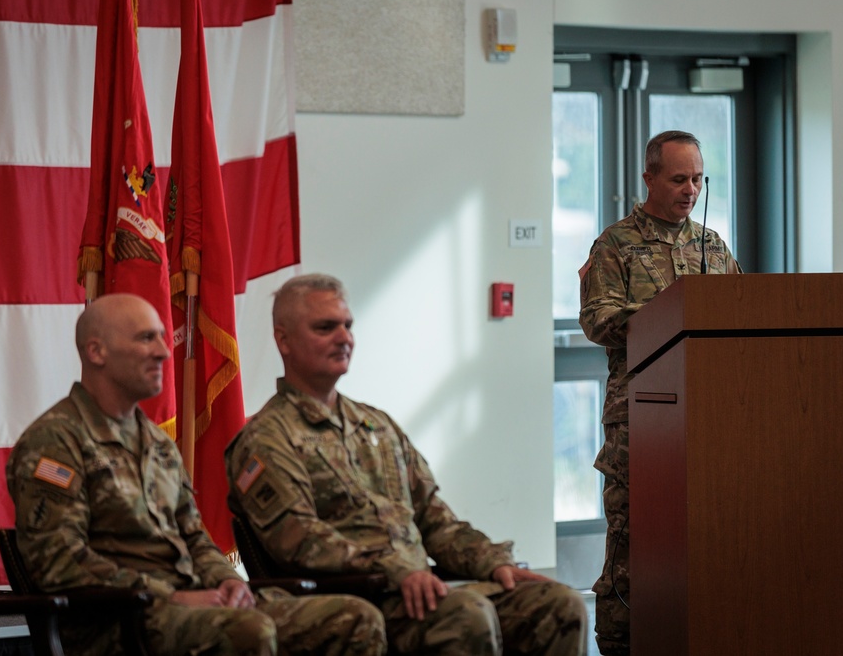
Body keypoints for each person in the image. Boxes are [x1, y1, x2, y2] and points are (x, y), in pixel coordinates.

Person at [225, 273, 588, 656]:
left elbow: (434, 519)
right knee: (466, 613)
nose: (344, 337)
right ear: (284, 340)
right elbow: (301, 541)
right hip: (354, 600)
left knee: (558, 603)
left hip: (417, 589)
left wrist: (492, 562)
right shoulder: (267, 439)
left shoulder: (376, 425)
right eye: (325, 327)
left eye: (348, 326)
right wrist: (396, 569)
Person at [6, 292, 387, 656]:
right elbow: (59, 561)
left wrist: (229, 584)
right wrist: (169, 595)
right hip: (119, 622)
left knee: (354, 619)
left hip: (190, 604)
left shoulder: (157, 444)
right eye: (145, 339)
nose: (162, 351)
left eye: (160, 337)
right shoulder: (55, 441)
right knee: (249, 631)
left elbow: (195, 537)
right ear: (96, 351)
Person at [578, 130, 741, 655]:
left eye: (697, 179)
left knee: (709, 531)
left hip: (714, 414)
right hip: (640, 416)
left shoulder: (712, 246)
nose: (690, 189)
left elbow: (745, 314)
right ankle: (620, 642)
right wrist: (674, 318)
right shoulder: (615, 244)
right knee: (633, 535)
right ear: (649, 177)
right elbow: (599, 319)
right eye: (678, 179)